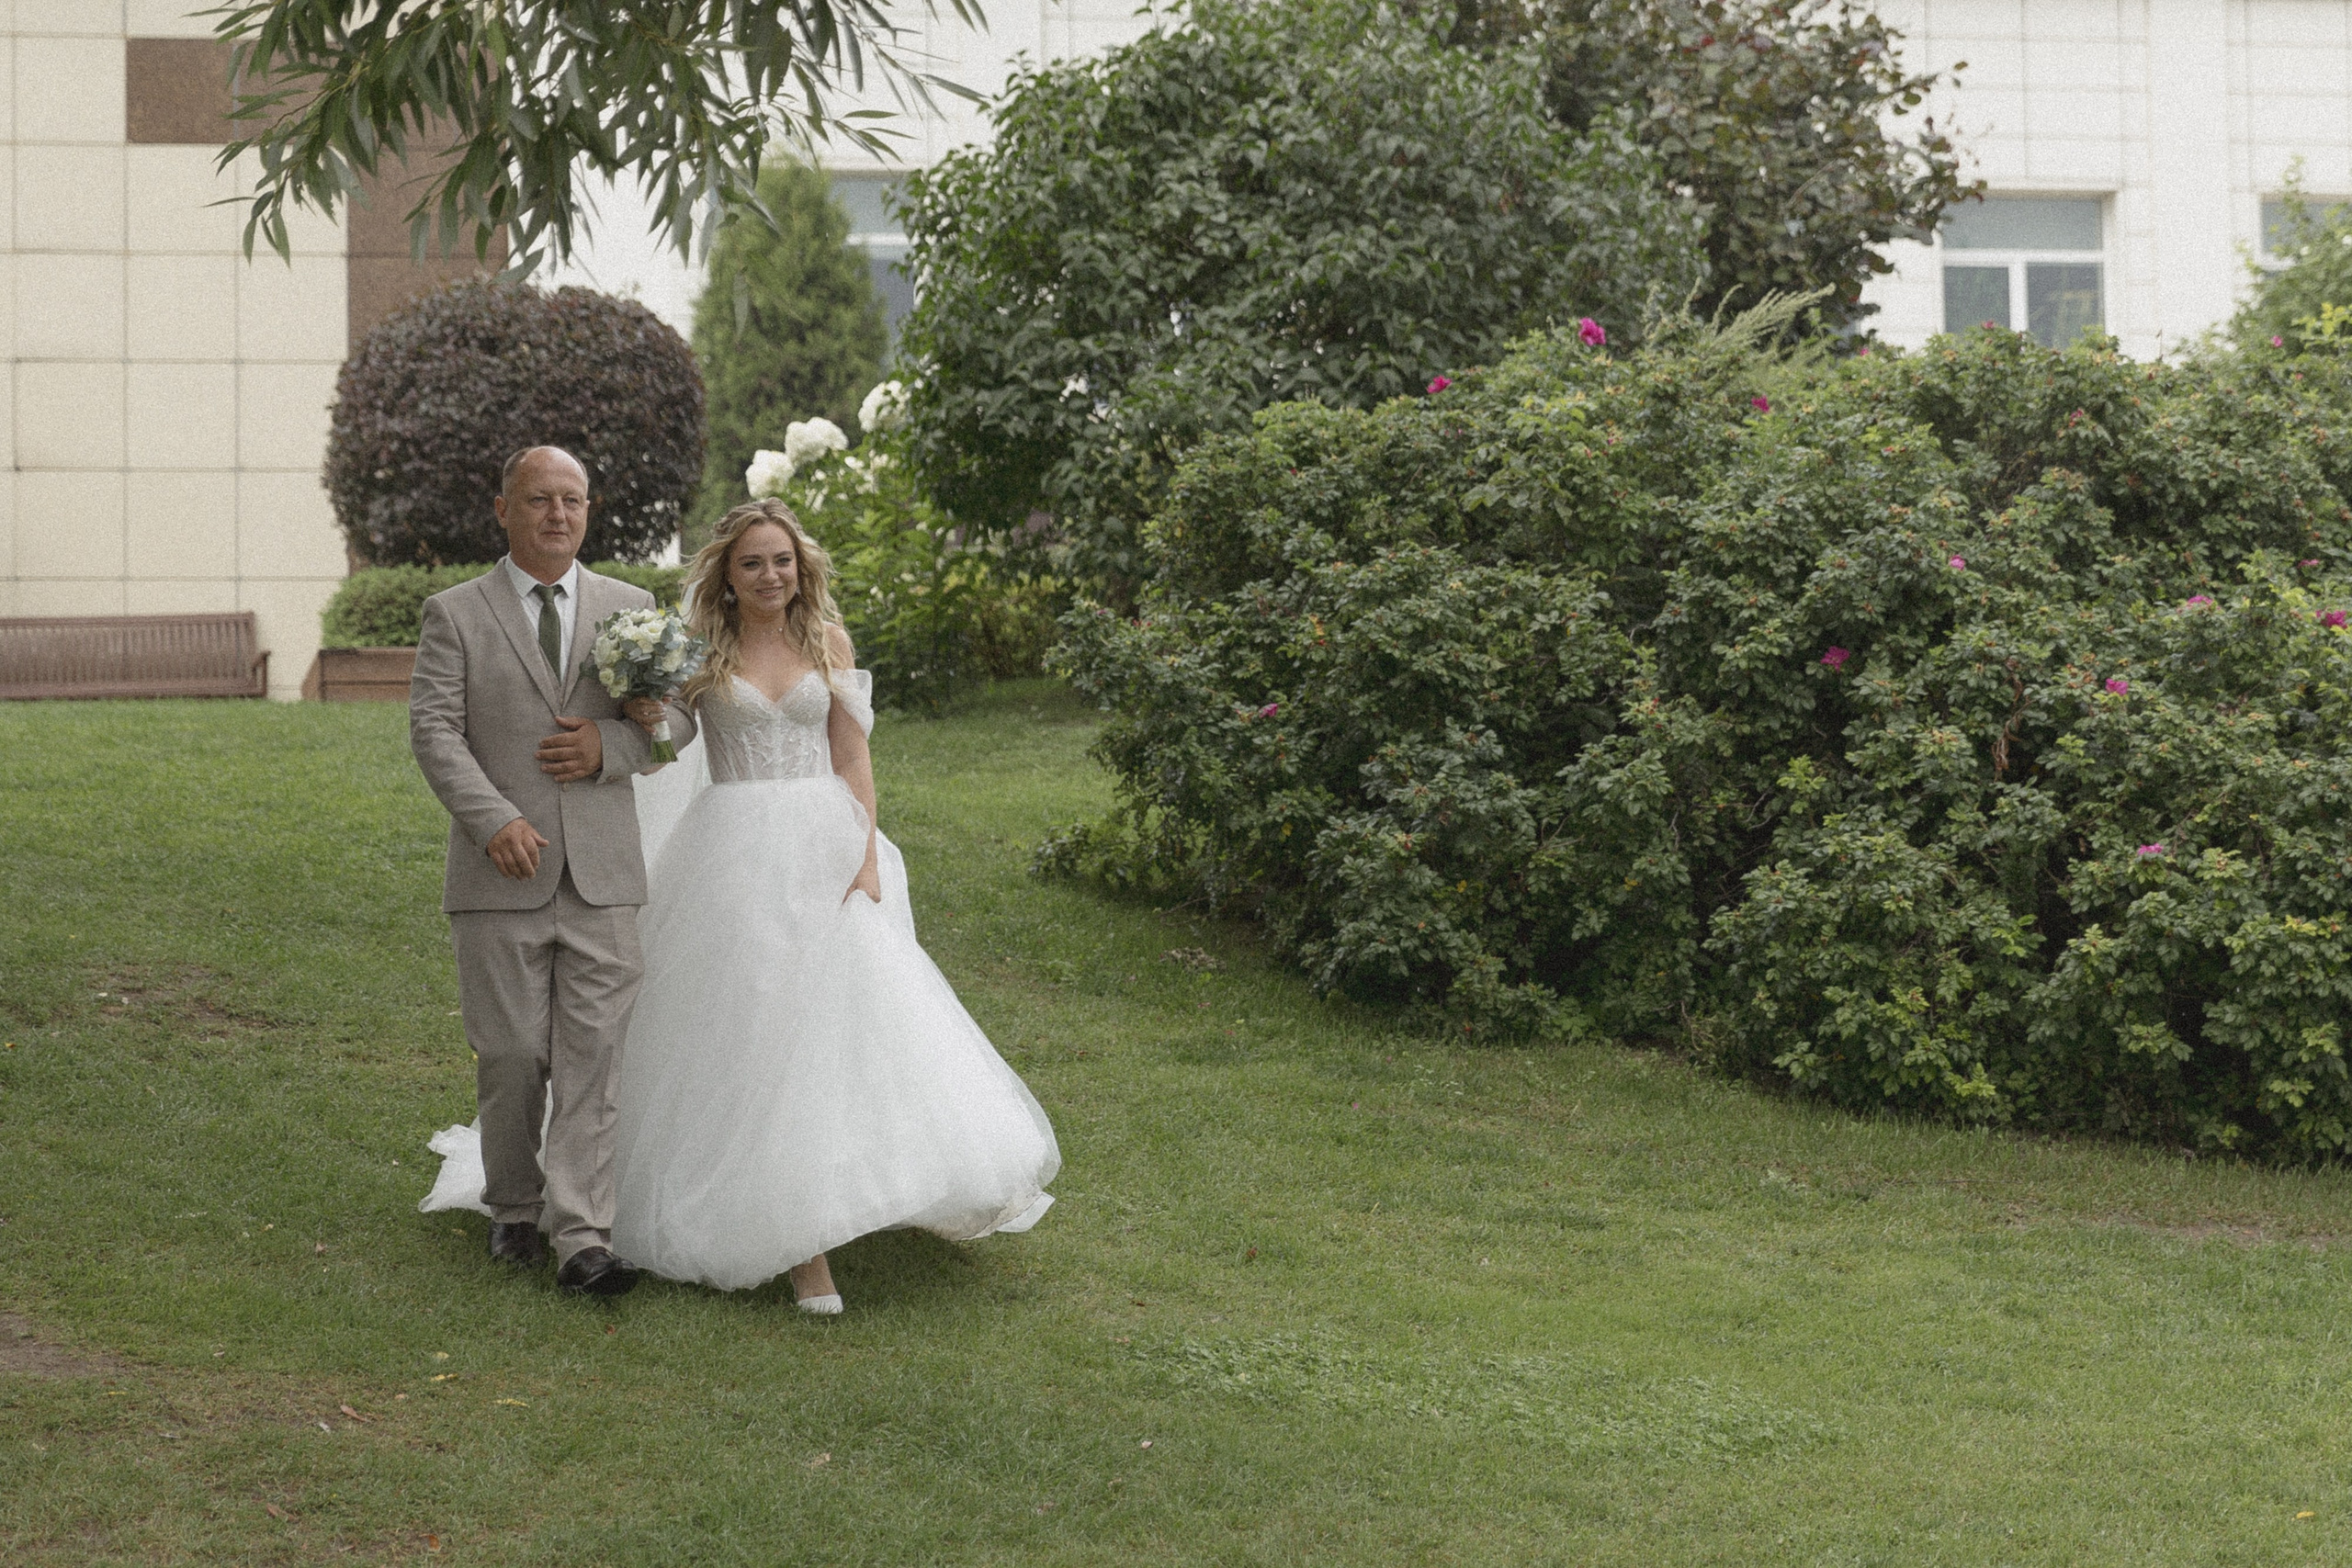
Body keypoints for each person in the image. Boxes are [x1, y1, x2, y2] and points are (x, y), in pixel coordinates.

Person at [424, 499, 1059, 1311]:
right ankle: (788, 1240)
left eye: (783, 561)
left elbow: (852, 754)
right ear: (727, 574)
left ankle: (838, 1200)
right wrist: (642, 723)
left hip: (824, 845)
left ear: (803, 569)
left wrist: (864, 856)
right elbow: (667, 747)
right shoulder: (700, 649)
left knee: (834, 1035)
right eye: (753, 562)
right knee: (751, 1032)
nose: (770, 575)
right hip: (730, 852)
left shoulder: (829, 641)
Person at [409, 446, 693, 1298]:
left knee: (593, 1056)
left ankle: (583, 1238)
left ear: (589, 509)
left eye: (571, 501)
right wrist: (493, 818)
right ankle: (513, 1204)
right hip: (500, 873)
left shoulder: (631, 608)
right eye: (539, 500)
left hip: (603, 873)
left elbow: (671, 720)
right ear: (504, 509)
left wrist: (611, 743)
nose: (557, 515)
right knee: (511, 1053)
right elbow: (433, 730)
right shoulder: (455, 613)